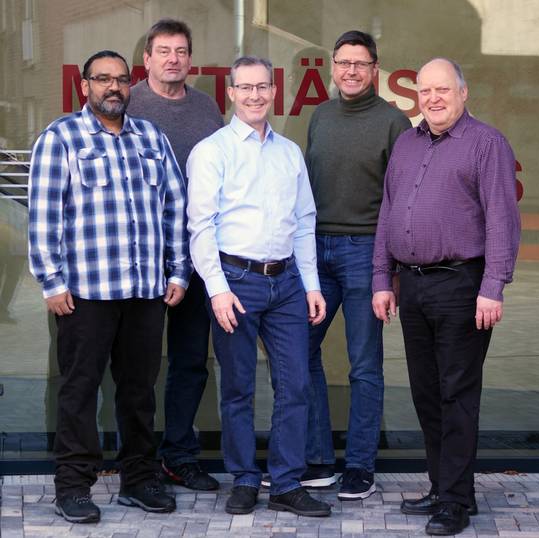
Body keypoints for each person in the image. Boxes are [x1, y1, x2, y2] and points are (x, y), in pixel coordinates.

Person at [28, 50, 190, 523]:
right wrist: (51, 281)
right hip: (85, 294)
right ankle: (73, 487)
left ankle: (138, 479)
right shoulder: (61, 138)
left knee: (139, 392)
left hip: (145, 292)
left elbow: (175, 207)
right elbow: (43, 216)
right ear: (85, 86)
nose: (113, 87)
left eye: (120, 79)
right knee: (79, 391)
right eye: (102, 79)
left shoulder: (151, 138)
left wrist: (178, 271)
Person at [372, 58, 520, 535]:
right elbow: (388, 211)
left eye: (443, 90)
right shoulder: (407, 144)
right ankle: (445, 488)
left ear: (463, 92)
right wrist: (382, 277)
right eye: (425, 91)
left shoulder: (486, 143)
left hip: (461, 284)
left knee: (456, 393)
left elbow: (502, 219)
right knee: (427, 392)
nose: (433, 99)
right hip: (413, 286)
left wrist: (493, 286)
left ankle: (454, 501)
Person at [187, 56, 331, 517]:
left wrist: (311, 285)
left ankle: (286, 483)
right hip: (236, 282)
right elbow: (200, 226)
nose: (255, 95)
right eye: (245, 87)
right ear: (231, 93)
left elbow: (304, 222)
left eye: (263, 87)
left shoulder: (289, 153)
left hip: (286, 283)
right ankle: (245, 479)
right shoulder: (212, 151)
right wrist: (216, 289)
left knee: (296, 385)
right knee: (238, 388)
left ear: (273, 91)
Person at [301, 30, 411, 499]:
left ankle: (360, 465)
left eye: (360, 63)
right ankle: (318, 459)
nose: (350, 71)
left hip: (367, 252)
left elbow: (401, 201)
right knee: (299, 352)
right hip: (316, 251)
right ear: (333, 67)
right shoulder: (321, 116)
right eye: (343, 62)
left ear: (374, 70)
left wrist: (391, 269)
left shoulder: (394, 122)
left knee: (364, 364)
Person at [127, 18, 223, 492]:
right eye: (163, 51)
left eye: (181, 51)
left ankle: (178, 456)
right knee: (137, 367)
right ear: (146, 59)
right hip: (140, 259)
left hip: (196, 257)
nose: (173, 59)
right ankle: (137, 462)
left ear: (190, 59)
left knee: (189, 362)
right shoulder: (127, 105)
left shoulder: (207, 108)